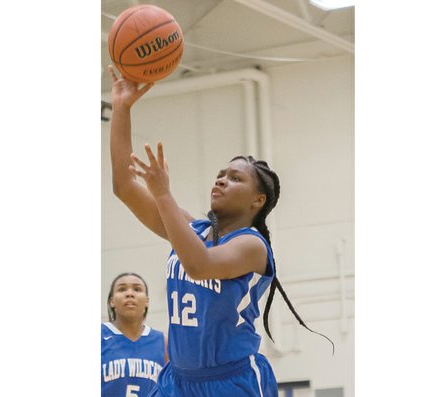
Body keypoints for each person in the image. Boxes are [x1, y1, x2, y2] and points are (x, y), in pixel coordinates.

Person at [107, 66, 332, 397]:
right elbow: (124, 185)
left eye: (235, 178)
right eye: (221, 174)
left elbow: (200, 266)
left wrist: (164, 194)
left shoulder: (252, 247)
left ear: (259, 200)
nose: (222, 179)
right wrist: (122, 108)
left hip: (229, 383)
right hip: (177, 381)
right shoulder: (190, 230)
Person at [102, 272, 168, 397]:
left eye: (137, 289)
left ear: (147, 301)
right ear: (112, 301)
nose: (130, 294)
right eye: (122, 289)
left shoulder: (164, 343)